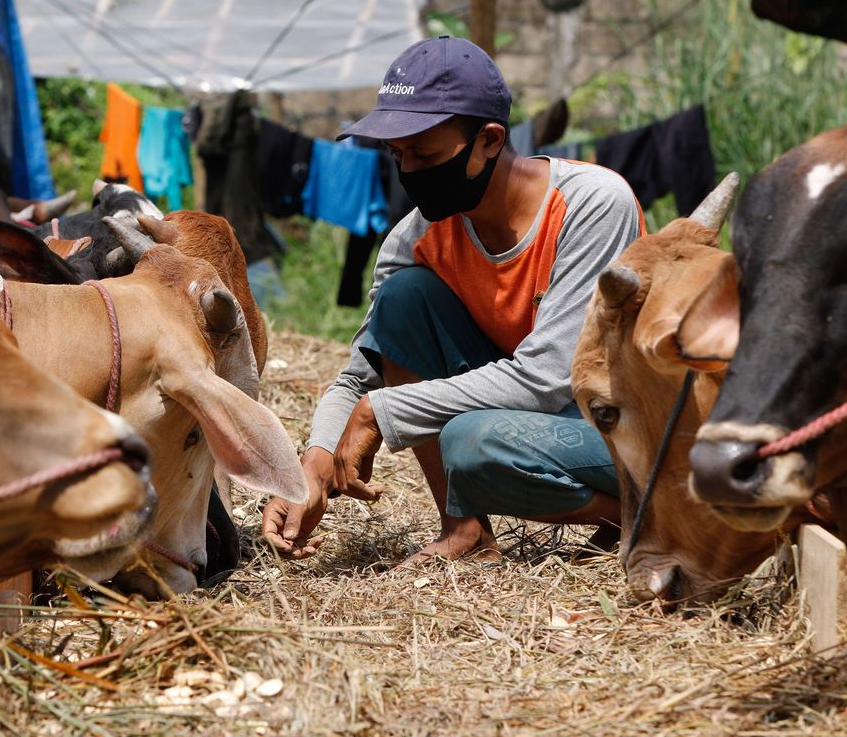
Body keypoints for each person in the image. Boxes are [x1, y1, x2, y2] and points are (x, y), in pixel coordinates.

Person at [261, 36, 644, 564]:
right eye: (398, 155)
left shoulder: (591, 206)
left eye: (426, 154)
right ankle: (463, 532)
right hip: (535, 419)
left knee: (473, 443)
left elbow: (549, 375)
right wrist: (315, 460)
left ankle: (648, 513)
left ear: (488, 140)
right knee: (404, 300)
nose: (410, 172)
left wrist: (382, 413)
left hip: (625, 427)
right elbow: (359, 376)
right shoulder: (415, 238)